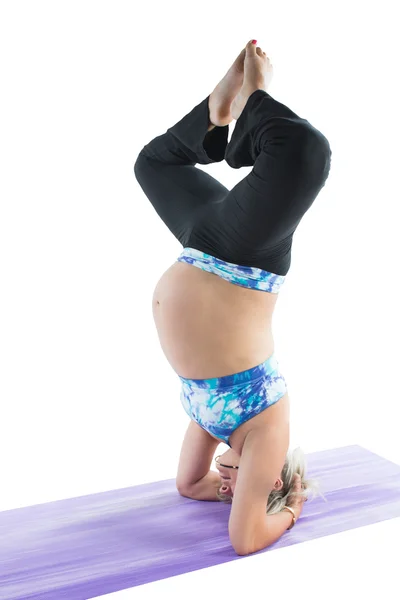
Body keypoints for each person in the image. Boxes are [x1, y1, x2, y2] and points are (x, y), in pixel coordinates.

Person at [133, 39, 331, 555]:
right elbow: (246, 540)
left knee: (153, 165)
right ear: (268, 481)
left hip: (204, 247)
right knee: (306, 153)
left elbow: (188, 485)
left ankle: (217, 115)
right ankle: (253, 101)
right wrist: (289, 512)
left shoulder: (217, 422)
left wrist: (218, 493)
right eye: (239, 485)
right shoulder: (268, 429)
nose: (228, 483)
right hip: (245, 261)